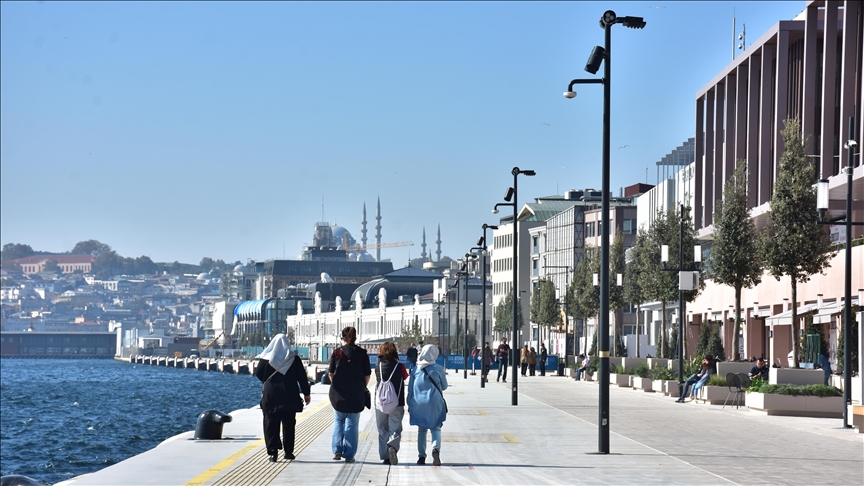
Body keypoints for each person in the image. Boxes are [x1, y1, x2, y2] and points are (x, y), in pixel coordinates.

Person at [254, 334, 311, 462]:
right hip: (289, 395)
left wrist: (268, 382)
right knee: (289, 423)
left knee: (270, 422)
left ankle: (273, 452)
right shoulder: (294, 359)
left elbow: (258, 374)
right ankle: (288, 452)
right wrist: (306, 394)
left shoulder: (266, 359)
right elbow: (302, 378)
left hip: (271, 395)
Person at [328, 326, 371, 463]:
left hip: (339, 394)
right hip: (356, 394)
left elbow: (331, 373)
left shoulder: (336, 353)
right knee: (352, 423)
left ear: (343, 337)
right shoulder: (363, 354)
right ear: (355, 337)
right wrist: (361, 386)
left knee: (338, 421)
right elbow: (367, 375)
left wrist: (337, 385)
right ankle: (349, 454)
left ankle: (337, 451)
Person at [408, 344, 448, 466]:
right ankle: (435, 449)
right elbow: (445, 386)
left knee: (422, 430)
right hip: (434, 402)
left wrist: (409, 403)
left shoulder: (415, 370)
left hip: (419, 403)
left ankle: (421, 457)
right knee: (436, 427)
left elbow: (410, 389)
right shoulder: (439, 368)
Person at [374, 342, 408, 465]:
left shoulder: (378, 366)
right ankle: (392, 447)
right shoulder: (400, 366)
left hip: (381, 404)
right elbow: (405, 377)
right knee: (395, 428)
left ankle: (385, 456)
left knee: (382, 429)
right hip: (397, 403)